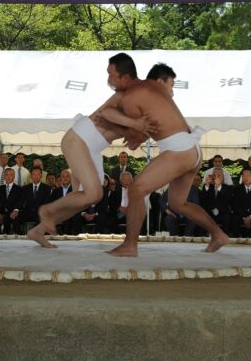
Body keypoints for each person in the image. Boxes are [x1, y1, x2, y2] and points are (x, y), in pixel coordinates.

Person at [26, 53, 156, 248]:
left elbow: (132, 134)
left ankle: (38, 230)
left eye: (112, 75)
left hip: (91, 146)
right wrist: (134, 124)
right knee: (93, 194)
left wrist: (138, 134)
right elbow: (106, 113)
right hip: (80, 139)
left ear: (126, 77)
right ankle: (47, 211)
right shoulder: (124, 94)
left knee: (85, 198)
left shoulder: (136, 97)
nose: (108, 80)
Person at [106, 62, 230, 257]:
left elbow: (135, 128)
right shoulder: (157, 95)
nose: (172, 92)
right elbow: (149, 128)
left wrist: (130, 132)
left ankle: (130, 245)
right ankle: (218, 234)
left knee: (136, 189)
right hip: (192, 150)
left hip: (179, 149)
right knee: (177, 203)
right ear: (160, 82)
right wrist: (138, 133)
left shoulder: (141, 93)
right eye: (172, 86)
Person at [230, 167, 251, 237]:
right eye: (243, 176)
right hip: (241, 215)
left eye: (248, 175)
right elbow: (235, 205)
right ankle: (236, 241)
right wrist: (244, 217)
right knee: (234, 220)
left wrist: (250, 217)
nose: (245, 178)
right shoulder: (237, 189)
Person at [18, 166, 51, 234]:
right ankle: (19, 236)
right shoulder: (25, 188)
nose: (36, 176)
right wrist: (16, 210)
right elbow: (21, 201)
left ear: (41, 176)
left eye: (38, 174)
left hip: (40, 213)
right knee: (16, 217)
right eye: (34, 174)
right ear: (31, 176)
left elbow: (46, 202)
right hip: (28, 212)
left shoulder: (47, 188)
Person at [0, 167, 22, 234]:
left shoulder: (19, 189)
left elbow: (19, 202)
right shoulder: (0, 188)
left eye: (11, 175)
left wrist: (15, 210)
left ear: (14, 176)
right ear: (4, 176)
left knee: (7, 218)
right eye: (6, 175)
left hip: (11, 213)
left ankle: (6, 235)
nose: (8, 177)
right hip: (1, 212)